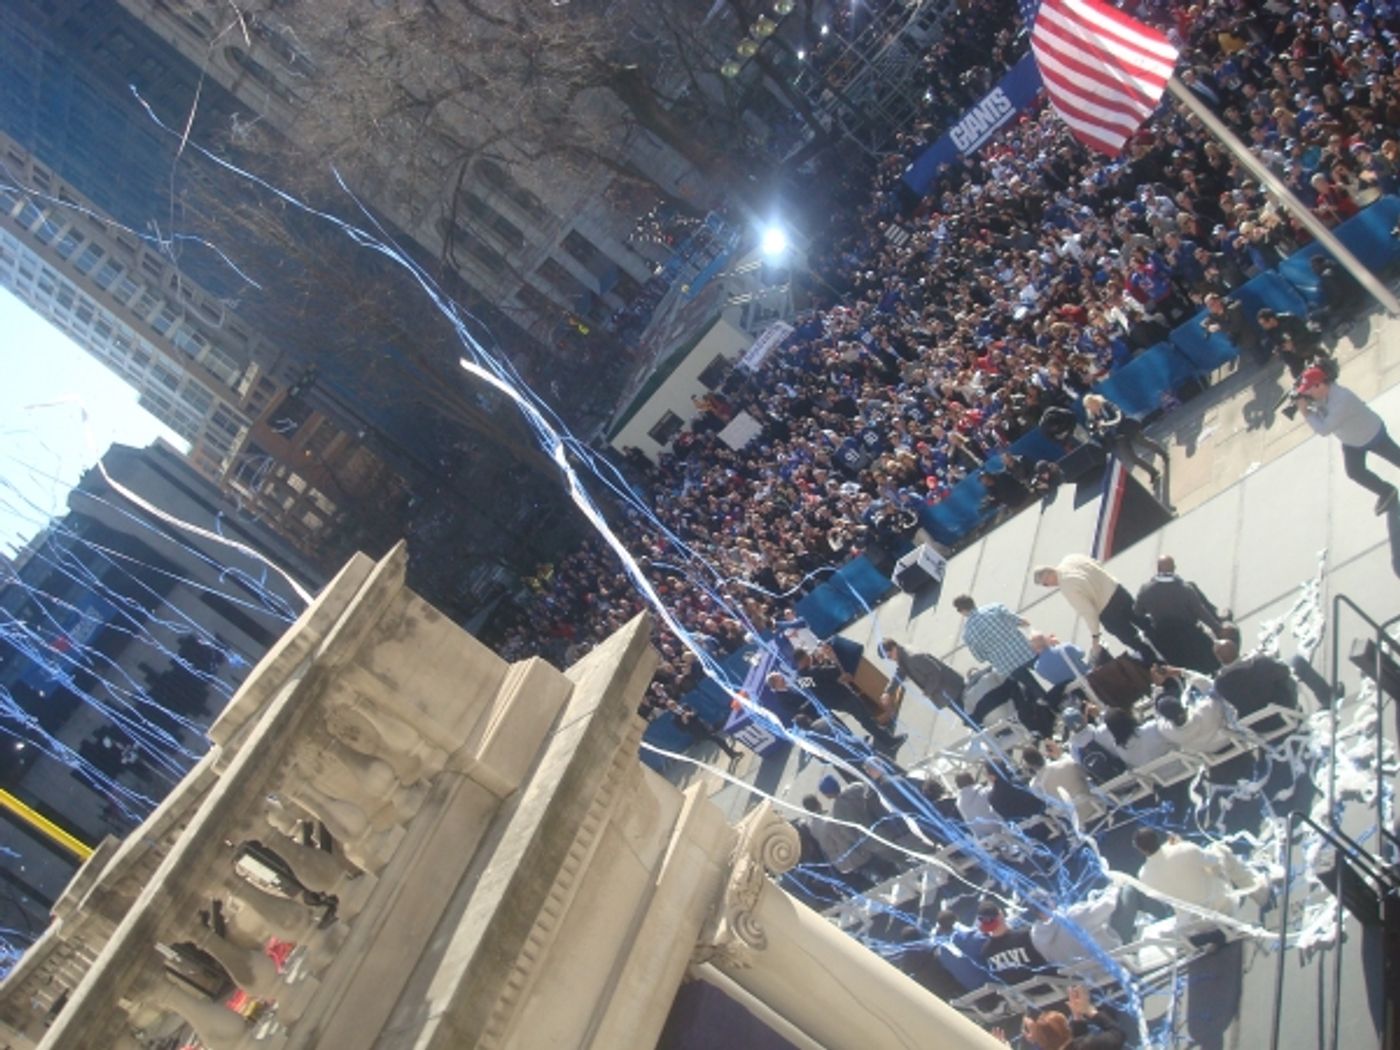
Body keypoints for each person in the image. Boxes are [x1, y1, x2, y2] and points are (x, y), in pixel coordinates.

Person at [1294, 365, 1400, 514]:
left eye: (1308, 389)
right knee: (1355, 472)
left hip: (1372, 434)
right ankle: (1387, 492)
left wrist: (1306, 413)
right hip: (1352, 441)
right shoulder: (1321, 395)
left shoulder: (1342, 400)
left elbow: (1324, 429)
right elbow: (1321, 414)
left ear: (1320, 385)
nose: (1307, 393)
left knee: (1397, 457)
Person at [953, 595, 1054, 736]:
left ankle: (1054, 708)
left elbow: (980, 657)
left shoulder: (968, 634)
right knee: (1050, 671)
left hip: (1008, 665)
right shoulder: (994, 608)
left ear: (962, 610)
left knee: (1032, 686)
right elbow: (1019, 621)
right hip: (1025, 650)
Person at [1033, 555, 1160, 661]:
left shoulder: (1066, 587)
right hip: (1117, 591)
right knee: (1144, 621)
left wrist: (1095, 635)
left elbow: (1088, 611)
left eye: (1045, 584)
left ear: (1048, 577)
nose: (1048, 586)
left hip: (1107, 611)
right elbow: (1097, 563)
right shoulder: (1071, 558)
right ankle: (1165, 641)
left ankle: (1157, 663)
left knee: (1132, 639)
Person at [1132, 827, 1269, 920]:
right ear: (1157, 838)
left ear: (1141, 850)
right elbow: (1214, 861)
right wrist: (1180, 844)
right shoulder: (1185, 849)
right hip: (1221, 908)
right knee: (1219, 849)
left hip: (1190, 923)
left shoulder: (1143, 876)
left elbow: (1166, 867)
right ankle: (1259, 893)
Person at [1134, 555, 1227, 673]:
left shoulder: (1145, 590)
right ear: (1173, 568)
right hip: (1190, 634)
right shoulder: (1184, 589)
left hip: (1165, 638)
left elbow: (1138, 611)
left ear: (1158, 569)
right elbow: (1200, 612)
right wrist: (1217, 628)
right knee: (1213, 663)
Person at [1081, 393, 1168, 488]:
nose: (1090, 409)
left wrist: (1106, 424)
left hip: (1127, 428)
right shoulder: (1093, 416)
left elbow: (1119, 417)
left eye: (1090, 406)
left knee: (1145, 443)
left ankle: (1163, 454)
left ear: (1095, 402)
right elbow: (1093, 429)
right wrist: (1096, 429)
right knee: (1132, 458)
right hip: (1118, 437)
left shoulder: (1107, 405)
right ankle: (1153, 472)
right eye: (1088, 407)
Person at [1210, 639, 1298, 716]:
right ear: (1236, 648)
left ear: (1219, 658)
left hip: (1256, 726)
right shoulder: (1260, 662)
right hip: (1285, 714)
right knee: (1297, 660)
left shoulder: (1220, 685)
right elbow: (1285, 670)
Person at [877, 638, 965, 713]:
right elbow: (900, 673)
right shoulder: (903, 657)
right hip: (948, 692)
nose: (891, 659)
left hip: (951, 691)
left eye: (889, 656)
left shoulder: (912, 658)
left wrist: (927, 692)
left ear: (893, 648)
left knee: (968, 714)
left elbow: (935, 674)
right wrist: (888, 692)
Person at [976, 899, 1051, 987]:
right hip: (1049, 985)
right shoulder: (1025, 935)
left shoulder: (986, 953)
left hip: (1022, 994)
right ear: (1001, 915)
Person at [1023, 742, 1096, 823]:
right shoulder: (1066, 762)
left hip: (1076, 818)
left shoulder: (1034, 786)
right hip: (1094, 805)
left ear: (1030, 765)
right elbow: (1087, 775)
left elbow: (1048, 802)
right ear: (1042, 754)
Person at [1255, 307, 1326, 378]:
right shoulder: (1269, 331)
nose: (1263, 326)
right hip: (1291, 349)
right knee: (1295, 371)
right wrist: (1279, 349)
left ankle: (1317, 355)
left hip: (1304, 341)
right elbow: (1277, 343)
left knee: (1302, 349)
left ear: (1271, 320)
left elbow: (1304, 332)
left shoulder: (1289, 319)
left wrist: (1292, 342)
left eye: (1264, 323)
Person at [1029, 632, 1091, 709]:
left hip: (1076, 694)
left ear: (1034, 649)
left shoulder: (1038, 667)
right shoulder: (1066, 647)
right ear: (1046, 640)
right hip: (1091, 680)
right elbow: (1082, 653)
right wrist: (1059, 644)